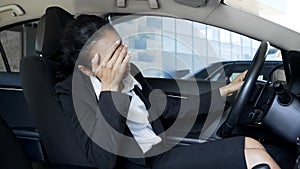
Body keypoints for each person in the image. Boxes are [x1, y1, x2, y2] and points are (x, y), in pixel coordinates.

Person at [55, 15, 280, 169]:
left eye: (122, 47)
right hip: (143, 164)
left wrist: (226, 90)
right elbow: (101, 160)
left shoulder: (131, 71)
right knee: (253, 157)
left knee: (250, 144)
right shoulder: (71, 92)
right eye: (113, 58)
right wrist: (110, 89)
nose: (125, 59)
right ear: (85, 68)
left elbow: (166, 107)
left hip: (161, 153)